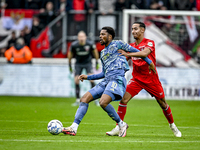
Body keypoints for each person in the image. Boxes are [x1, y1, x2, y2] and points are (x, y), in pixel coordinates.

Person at [62, 26, 156, 137]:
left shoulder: (118, 44)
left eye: (103, 34)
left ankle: (121, 124)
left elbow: (137, 51)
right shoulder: (102, 53)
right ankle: (74, 128)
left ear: (110, 36)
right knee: (84, 99)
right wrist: (88, 77)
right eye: (100, 34)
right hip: (107, 80)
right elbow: (103, 73)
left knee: (103, 102)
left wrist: (150, 62)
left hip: (117, 79)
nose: (100, 36)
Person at [106, 22, 182, 137]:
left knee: (162, 103)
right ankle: (119, 126)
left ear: (142, 30)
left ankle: (172, 125)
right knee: (123, 100)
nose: (133, 31)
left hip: (152, 80)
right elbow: (123, 60)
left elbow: (144, 53)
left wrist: (128, 53)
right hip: (136, 79)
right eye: (132, 29)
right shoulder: (130, 46)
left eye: (136, 29)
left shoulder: (149, 43)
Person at [68, 31, 100, 106]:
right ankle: (77, 99)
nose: (81, 38)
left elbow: (95, 52)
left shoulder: (89, 44)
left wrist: (97, 61)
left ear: (85, 37)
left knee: (91, 79)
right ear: (78, 38)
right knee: (76, 80)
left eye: (83, 36)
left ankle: (96, 99)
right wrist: (69, 64)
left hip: (88, 63)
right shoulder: (74, 45)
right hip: (78, 64)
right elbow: (70, 54)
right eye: (80, 37)